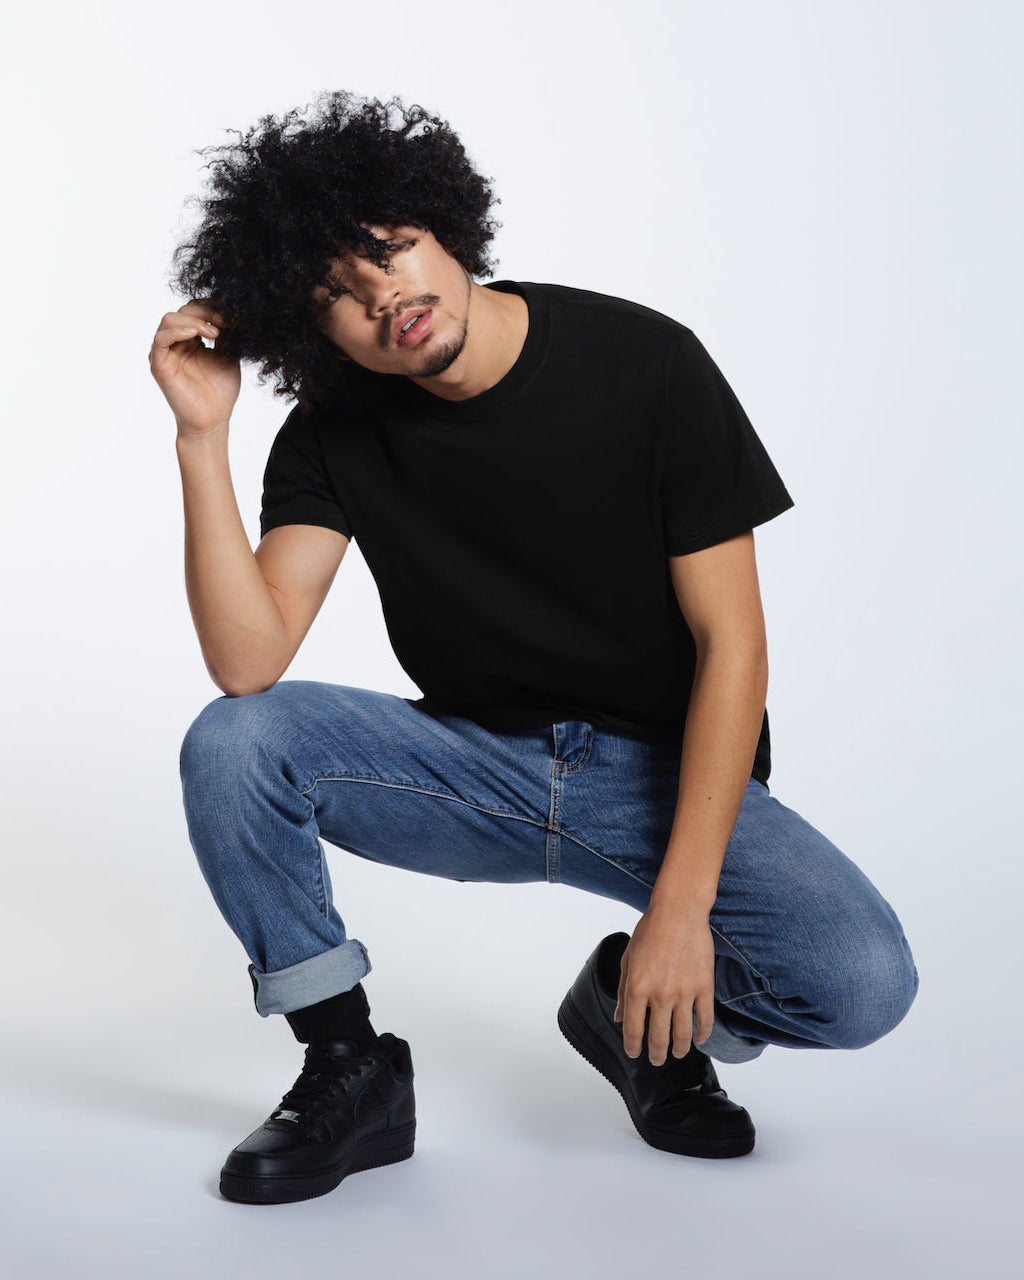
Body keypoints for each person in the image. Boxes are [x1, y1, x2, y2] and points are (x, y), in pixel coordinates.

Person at [149, 92, 918, 1205]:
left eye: (386, 248)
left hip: (656, 780)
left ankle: (637, 1016)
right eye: (332, 295)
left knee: (861, 984)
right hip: (474, 770)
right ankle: (347, 1060)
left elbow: (733, 648)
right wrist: (201, 436)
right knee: (234, 741)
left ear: (442, 221)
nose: (382, 298)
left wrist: (676, 915)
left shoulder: (644, 362)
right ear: (306, 330)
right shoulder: (331, 430)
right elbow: (247, 661)